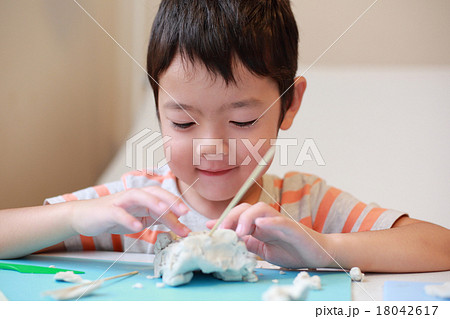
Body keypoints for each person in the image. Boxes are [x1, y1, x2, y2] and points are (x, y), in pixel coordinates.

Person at [0, 0, 449, 273]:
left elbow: (439, 246)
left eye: (242, 122)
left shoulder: (306, 206)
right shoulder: (133, 209)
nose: (212, 147)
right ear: (156, 107)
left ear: (289, 105)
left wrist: (326, 248)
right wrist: (76, 218)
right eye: (182, 122)